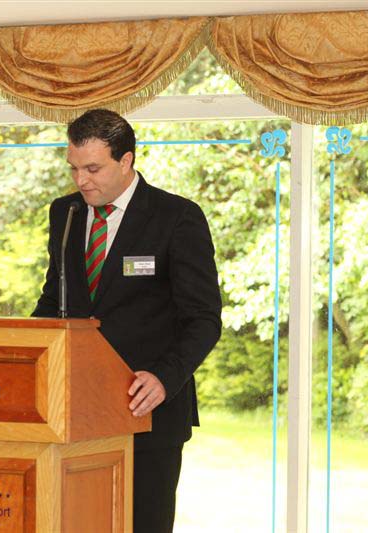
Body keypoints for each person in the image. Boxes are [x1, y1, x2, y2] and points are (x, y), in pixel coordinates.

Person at [32, 109, 222, 532]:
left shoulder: (177, 218)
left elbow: (204, 319)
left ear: (127, 160)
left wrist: (163, 377)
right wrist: (25, 356)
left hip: (147, 415)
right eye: (75, 169)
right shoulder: (64, 214)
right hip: (74, 413)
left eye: (93, 168)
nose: (82, 180)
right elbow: (54, 300)